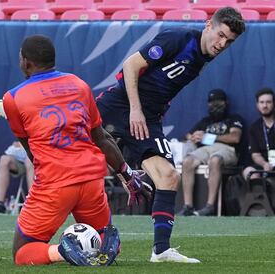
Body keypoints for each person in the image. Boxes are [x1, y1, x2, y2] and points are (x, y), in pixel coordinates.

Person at [96, 7, 245, 263]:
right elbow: (131, 65)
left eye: (229, 41)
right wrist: (135, 109)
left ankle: (161, 250)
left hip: (148, 118)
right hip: (120, 105)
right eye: (220, 35)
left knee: (168, 176)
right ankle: (13, 106)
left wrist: (155, 109)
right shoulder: (178, 38)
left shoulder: (204, 56)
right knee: (70, 150)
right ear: (208, 24)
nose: (222, 44)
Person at [0, 35, 151, 266]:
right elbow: (102, 138)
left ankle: (64, 250)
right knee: (102, 238)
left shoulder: (13, 98)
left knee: (22, 252)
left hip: (55, 182)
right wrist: (127, 175)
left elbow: (30, 149)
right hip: (91, 180)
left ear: (25, 62)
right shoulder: (79, 84)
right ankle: (109, 242)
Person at [178, 89, 244, 216]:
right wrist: (193, 137)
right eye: (212, 102)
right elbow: (187, 135)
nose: (216, 105)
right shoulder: (205, 121)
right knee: (187, 162)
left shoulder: (233, 118)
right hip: (205, 149)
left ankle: (210, 206)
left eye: (219, 102)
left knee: (215, 160)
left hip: (226, 149)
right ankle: (188, 206)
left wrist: (209, 137)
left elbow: (235, 138)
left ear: (226, 103)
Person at [243, 88, 275, 180]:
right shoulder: (254, 127)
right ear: (257, 105)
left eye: (268, 102)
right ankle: (258, 195)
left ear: (274, 104)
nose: (265, 105)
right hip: (264, 165)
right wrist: (265, 164)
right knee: (249, 171)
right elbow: (255, 154)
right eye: (261, 102)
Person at [0, 141, 33, 213]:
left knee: (29, 160)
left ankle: (34, 202)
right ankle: (0, 204)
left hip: (38, 159)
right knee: (4, 159)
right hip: (21, 158)